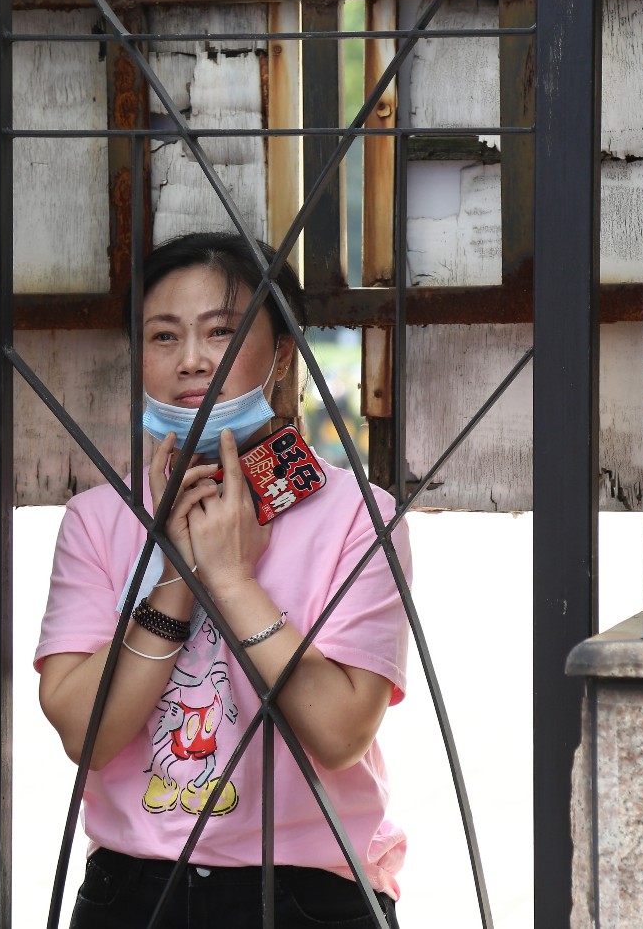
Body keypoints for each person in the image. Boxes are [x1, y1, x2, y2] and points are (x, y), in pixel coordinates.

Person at [35, 231, 412, 928]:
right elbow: (86, 736)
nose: (193, 359)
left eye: (222, 333)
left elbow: (339, 733)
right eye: (163, 336)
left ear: (283, 352)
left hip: (307, 895)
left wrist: (234, 581)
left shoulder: (360, 516)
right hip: (133, 892)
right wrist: (178, 571)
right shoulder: (97, 519)